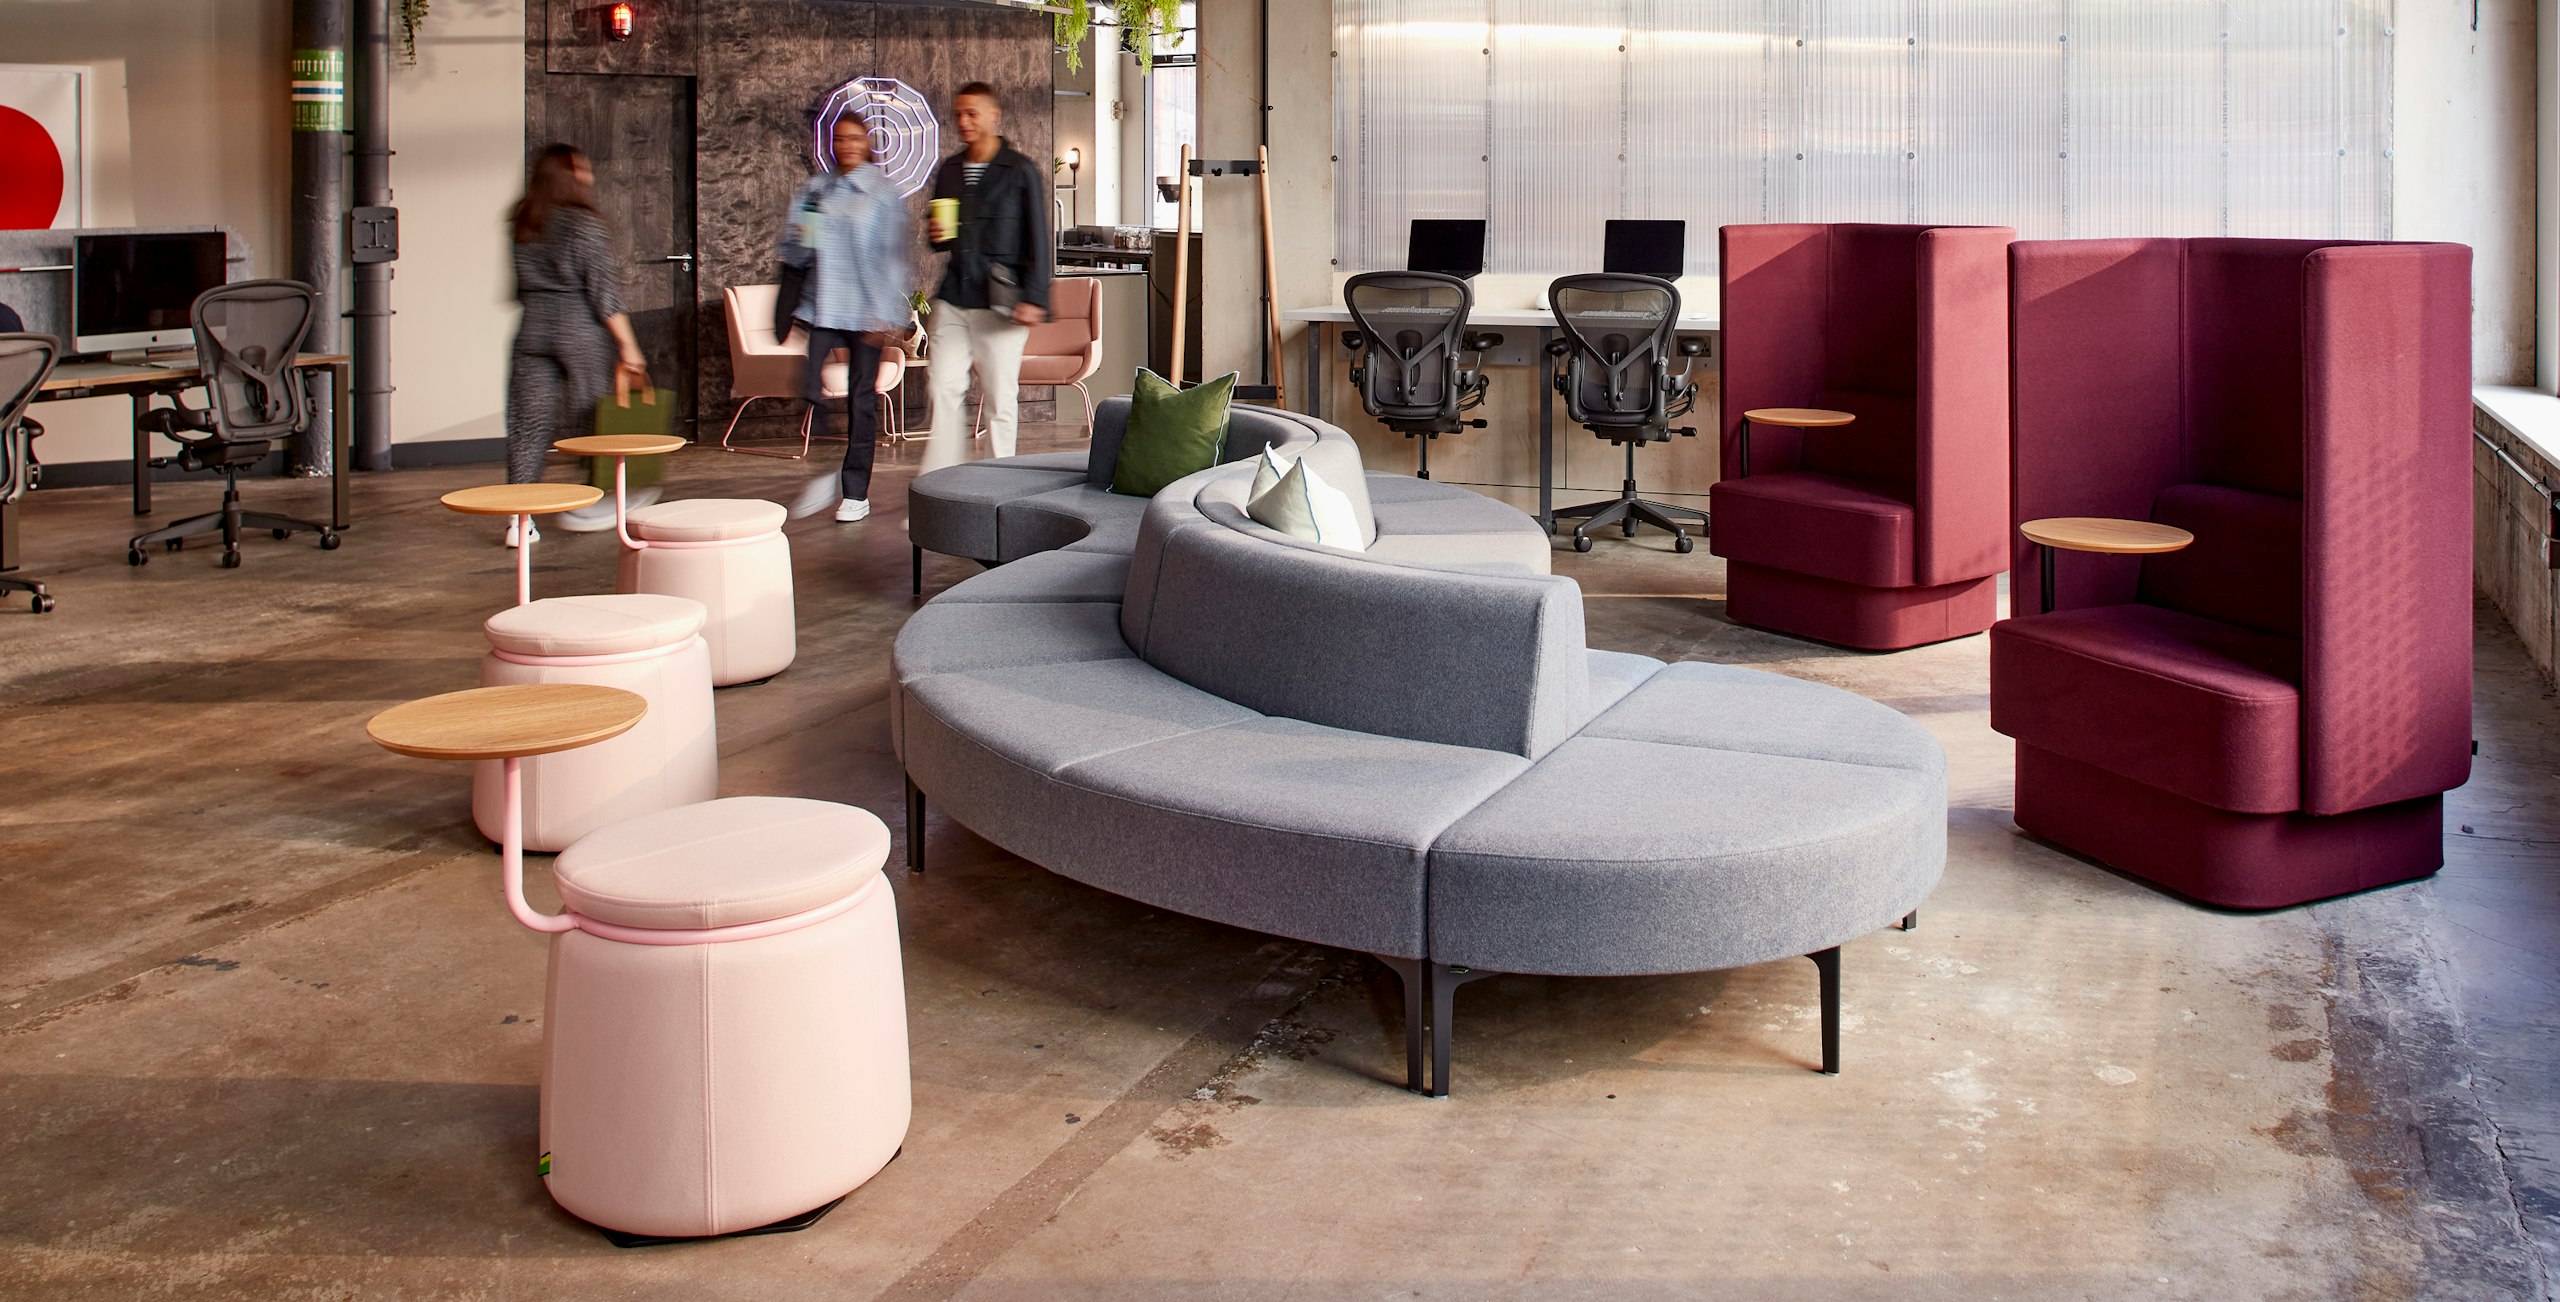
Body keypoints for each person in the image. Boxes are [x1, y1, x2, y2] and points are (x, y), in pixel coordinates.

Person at [504, 143, 648, 545]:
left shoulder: (524, 219)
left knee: (526, 426)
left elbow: (516, 287)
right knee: (596, 419)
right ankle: (596, 501)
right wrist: (630, 348)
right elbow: (605, 296)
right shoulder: (585, 225)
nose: (589, 177)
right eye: (582, 170)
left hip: (532, 328)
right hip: (578, 331)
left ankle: (520, 521)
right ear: (567, 177)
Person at [783, 112, 915, 523]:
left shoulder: (881, 192)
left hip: (866, 310)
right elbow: (798, 248)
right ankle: (824, 473)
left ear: (867, 141)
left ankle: (855, 492)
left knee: (861, 402)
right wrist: (803, 232)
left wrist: (887, 313)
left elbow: (893, 256)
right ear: (831, 142)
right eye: (840, 138)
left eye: (855, 137)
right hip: (823, 305)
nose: (847, 145)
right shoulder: (817, 188)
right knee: (810, 387)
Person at [920, 81, 1050, 471]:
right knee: (942, 386)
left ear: (993, 115)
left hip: (1002, 304)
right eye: (958, 114)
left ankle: (1000, 486)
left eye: (971, 113)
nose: (962, 121)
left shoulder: (1021, 171)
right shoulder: (949, 170)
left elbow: (1038, 240)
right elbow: (941, 242)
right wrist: (937, 235)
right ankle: (941, 484)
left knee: (999, 398)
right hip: (954, 297)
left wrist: (1035, 297)